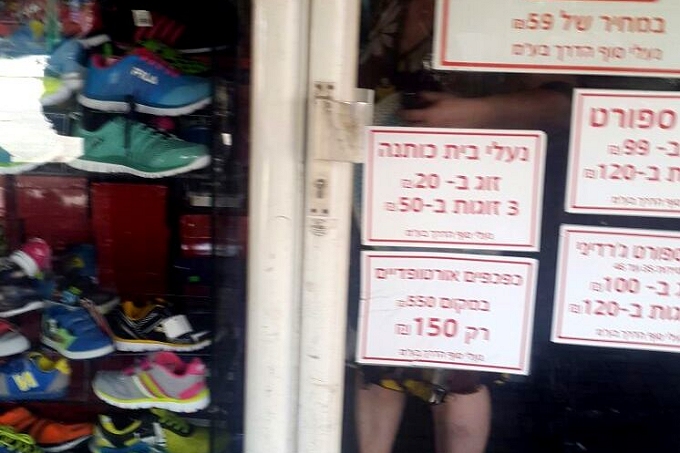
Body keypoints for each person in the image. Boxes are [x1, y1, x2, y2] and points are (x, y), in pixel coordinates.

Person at [353, 1, 576, 452]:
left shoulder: (509, 9)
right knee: (377, 348)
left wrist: (478, 113)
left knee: (460, 365)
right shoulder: (382, 6)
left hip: (472, 201)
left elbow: (564, 107)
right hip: (380, 200)